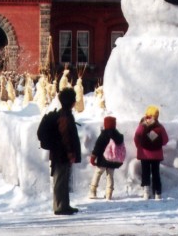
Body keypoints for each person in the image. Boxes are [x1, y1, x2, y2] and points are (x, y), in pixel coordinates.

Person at [48, 87, 81, 216]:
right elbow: (66, 136)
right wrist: (70, 153)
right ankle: (60, 206)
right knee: (60, 180)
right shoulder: (65, 117)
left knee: (63, 179)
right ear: (71, 102)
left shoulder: (64, 114)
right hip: (62, 154)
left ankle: (64, 205)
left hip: (59, 153)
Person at [134, 105, 169, 200]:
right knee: (156, 173)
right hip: (156, 155)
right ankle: (157, 193)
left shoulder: (142, 125)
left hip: (144, 154)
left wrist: (140, 147)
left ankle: (146, 192)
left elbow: (136, 137)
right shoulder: (160, 127)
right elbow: (165, 140)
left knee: (145, 172)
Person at [89, 116, 125, 200]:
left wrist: (93, 157)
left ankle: (92, 191)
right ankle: (109, 194)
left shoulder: (104, 134)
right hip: (113, 160)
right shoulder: (118, 135)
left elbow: (98, 147)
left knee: (97, 173)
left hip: (103, 159)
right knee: (110, 176)